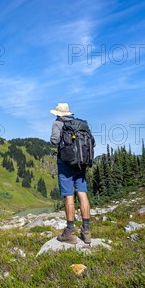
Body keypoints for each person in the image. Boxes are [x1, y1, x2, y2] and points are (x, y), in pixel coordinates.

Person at [50, 103, 92, 244]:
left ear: (58, 113)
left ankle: (69, 232)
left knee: (69, 195)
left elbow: (54, 140)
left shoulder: (58, 123)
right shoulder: (80, 123)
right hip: (81, 163)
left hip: (66, 164)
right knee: (82, 193)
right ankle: (86, 231)